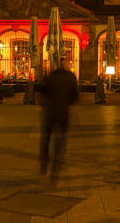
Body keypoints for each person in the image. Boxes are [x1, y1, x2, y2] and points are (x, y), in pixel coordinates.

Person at [39, 57, 79, 185]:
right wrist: (69, 103)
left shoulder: (52, 75)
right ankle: (55, 171)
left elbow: (44, 92)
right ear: (66, 64)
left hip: (50, 112)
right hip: (63, 113)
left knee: (46, 139)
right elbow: (75, 95)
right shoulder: (71, 77)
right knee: (60, 143)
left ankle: (44, 164)